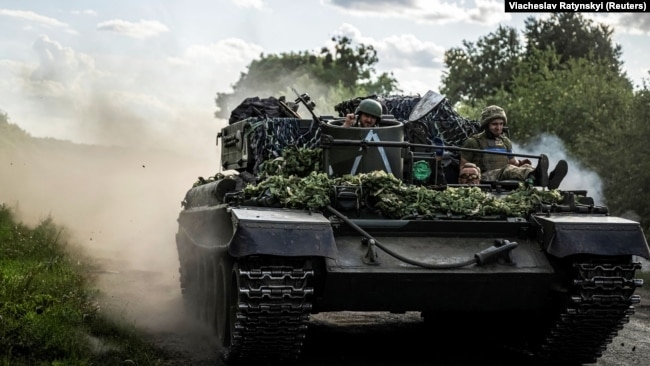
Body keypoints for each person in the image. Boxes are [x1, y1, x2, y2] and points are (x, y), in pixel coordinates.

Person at [460, 105, 568, 189]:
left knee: (525, 168)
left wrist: (521, 164)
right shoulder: (473, 142)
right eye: (495, 124)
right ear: (486, 125)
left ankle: (548, 179)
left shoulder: (505, 141)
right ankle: (537, 175)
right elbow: (462, 169)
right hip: (483, 177)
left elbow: (513, 163)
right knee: (508, 170)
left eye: (501, 124)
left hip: (503, 174)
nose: (499, 128)